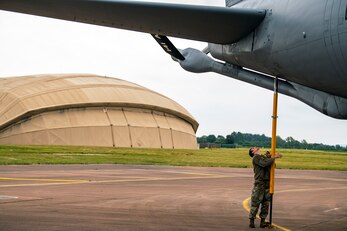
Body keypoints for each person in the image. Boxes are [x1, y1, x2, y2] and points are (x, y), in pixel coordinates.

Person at [248, 147, 282, 228]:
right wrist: (274, 157)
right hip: (259, 184)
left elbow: (272, 165)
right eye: (254, 148)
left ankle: (262, 221)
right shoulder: (256, 158)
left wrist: (269, 158)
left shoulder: (263, 157)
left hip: (267, 183)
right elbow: (264, 164)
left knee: (266, 204)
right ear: (253, 152)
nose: (257, 147)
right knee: (255, 203)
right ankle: (251, 221)